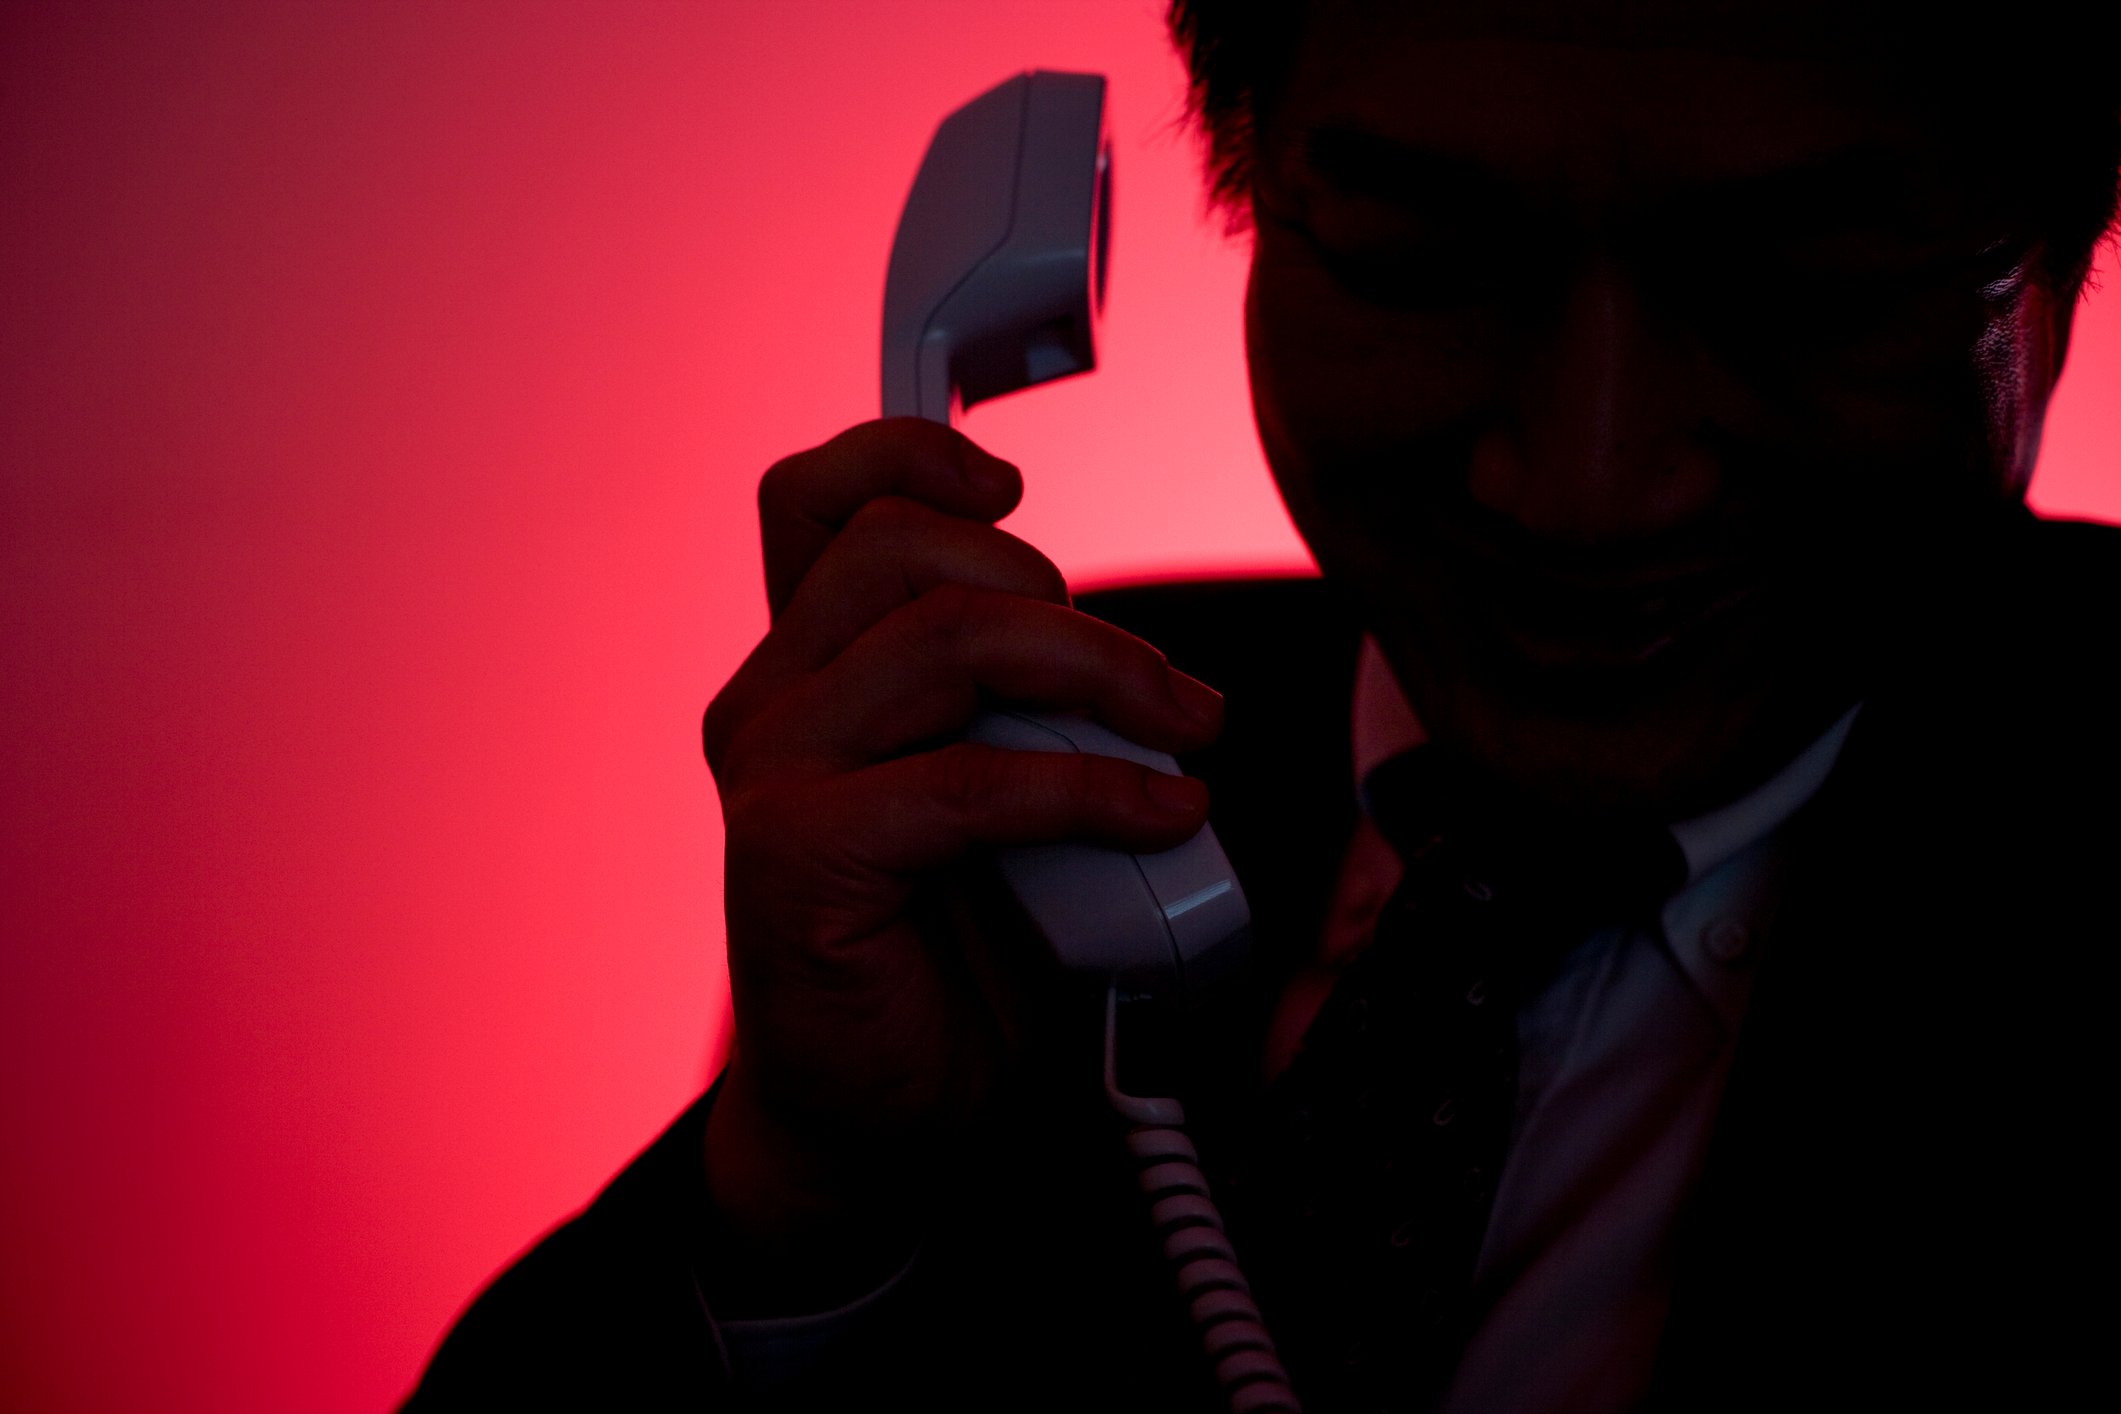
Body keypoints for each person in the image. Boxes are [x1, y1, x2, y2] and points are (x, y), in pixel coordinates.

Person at [406, 1, 2120, 1409]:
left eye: (1800, 287)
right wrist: (802, 1204)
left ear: (2056, 265)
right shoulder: (1045, 772)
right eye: (1416, 254)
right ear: (1244, 196)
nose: (1587, 478)